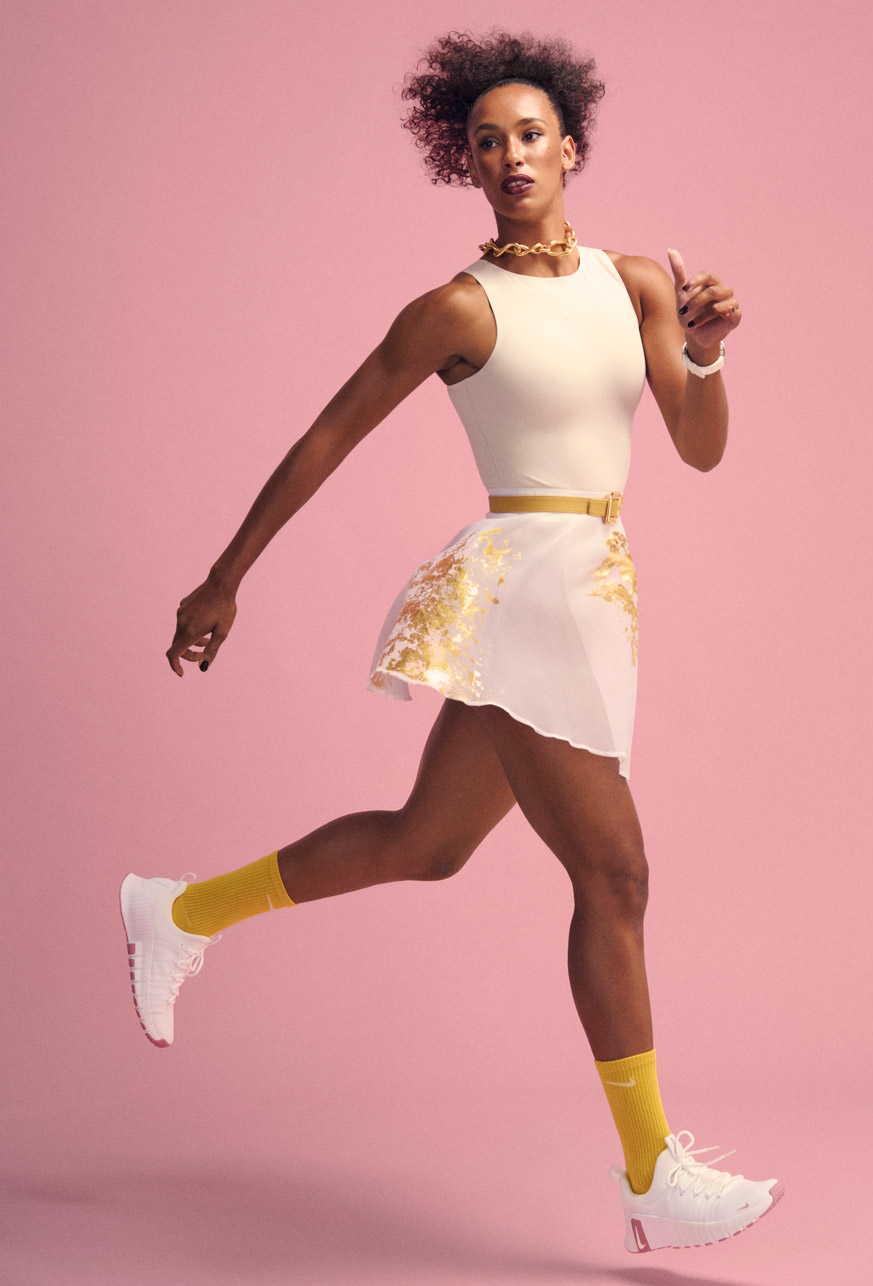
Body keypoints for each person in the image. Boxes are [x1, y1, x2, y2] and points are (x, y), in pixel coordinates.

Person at [120, 30, 783, 1254]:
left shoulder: (635, 284)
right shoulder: (457, 310)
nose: (510, 154)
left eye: (530, 133)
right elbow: (327, 437)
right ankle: (651, 1170)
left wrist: (705, 353)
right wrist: (225, 576)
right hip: (525, 588)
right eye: (486, 141)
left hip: (596, 584)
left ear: (570, 146)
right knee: (616, 874)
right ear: (463, 164)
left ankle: (178, 910)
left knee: (425, 843)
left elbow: (698, 446)